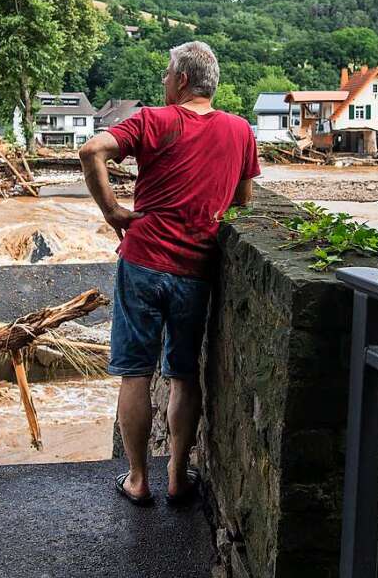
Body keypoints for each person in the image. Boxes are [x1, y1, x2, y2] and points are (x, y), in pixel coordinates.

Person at [78, 40, 260, 506]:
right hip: (196, 268)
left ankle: (139, 479)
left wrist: (114, 212)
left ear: (181, 80)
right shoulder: (241, 131)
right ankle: (179, 475)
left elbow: (91, 150)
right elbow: (242, 206)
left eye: (166, 74)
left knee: (134, 373)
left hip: (143, 262)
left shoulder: (153, 120)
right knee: (183, 374)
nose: (162, 81)